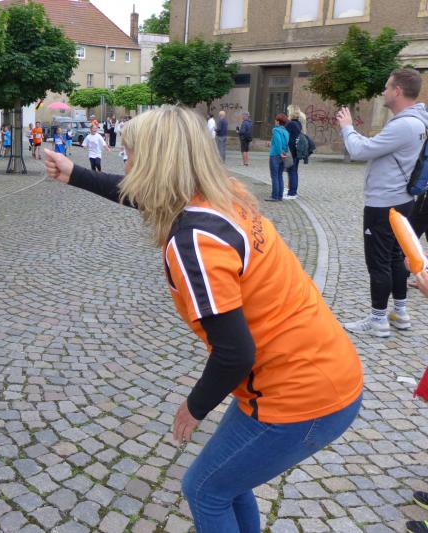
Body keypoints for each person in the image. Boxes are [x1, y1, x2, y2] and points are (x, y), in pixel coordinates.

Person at [43, 105, 363, 533]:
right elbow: (150, 195)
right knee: (229, 482)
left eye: (132, 154)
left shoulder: (194, 241)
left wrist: (192, 408)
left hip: (302, 394)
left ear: (156, 162)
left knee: (205, 490)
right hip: (322, 367)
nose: (126, 162)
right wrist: (76, 174)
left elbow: (235, 353)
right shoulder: (222, 193)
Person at [337, 68, 428, 338]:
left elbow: (360, 150)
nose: (383, 91)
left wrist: (347, 128)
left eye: (387, 87)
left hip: (383, 203)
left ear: (398, 91)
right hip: (403, 199)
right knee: (395, 257)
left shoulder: (403, 125)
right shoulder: (419, 121)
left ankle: (378, 320)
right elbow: (379, 148)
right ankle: (400, 312)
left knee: (378, 262)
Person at [284, 105, 305, 199]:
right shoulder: (298, 123)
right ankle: (293, 191)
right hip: (296, 151)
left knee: (292, 172)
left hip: (291, 151)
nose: (287, 113)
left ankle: (292, 193)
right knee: (294, 171)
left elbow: (285, 137)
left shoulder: (290, 124)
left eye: (288, 111)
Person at [268, 114, 290, 202]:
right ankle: (280, 196)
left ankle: (274, 196)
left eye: (276, 120)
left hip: (275, 155)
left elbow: (278, 142)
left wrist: (280, 152)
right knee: (280, 175)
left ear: (278, 121)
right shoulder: (286, 132)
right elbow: (286, 144)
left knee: (274, 176)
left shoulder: (276, 130)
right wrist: (283, 152)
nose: (275, 121)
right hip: (284, 154)